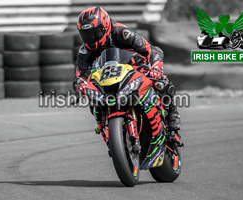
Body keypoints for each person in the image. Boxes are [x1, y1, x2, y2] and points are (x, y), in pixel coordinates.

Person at [73, 7, 181, 148]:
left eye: (95, 33)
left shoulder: (122, 33)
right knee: (91, 97)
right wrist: (80, 84)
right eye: (86, 35)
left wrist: (155, 67)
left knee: (161, 81)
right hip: (107, 77)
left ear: (105, 26)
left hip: (134, 66)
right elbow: (80, 75)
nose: (91, 38)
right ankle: (107, 133)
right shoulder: (85, 50)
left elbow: (151, 50)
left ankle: (173, 116)